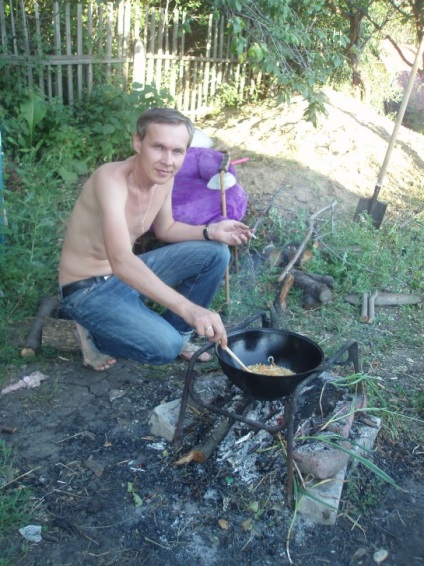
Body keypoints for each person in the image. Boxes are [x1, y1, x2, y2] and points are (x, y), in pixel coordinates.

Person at [58, 107, 253, 371]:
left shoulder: (164, 178)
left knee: (216, 253)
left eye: (177, 151)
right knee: (164, 349)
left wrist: (211, 231)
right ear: (137, 142)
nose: (167, 161)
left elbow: (167, 229)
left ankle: (178, 333)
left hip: (123, 277)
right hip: (88, 289)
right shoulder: (110, 180)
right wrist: (189, 308)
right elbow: (121, 260)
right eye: (158, 147)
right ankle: (93, 336)